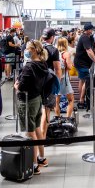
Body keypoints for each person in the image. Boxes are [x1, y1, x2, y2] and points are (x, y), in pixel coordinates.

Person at [15, 40, 49, 175]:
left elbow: (22, 86)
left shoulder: (29, 66)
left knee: (30, 133)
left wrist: (17, 86)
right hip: (37, 99)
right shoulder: (43, 64)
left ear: (34, 50)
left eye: (28, 48)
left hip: (27, 101)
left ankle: (34, 164)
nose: (26, 50)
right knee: (36, 128)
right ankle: (41, 157)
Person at [40, 28, 61, 159]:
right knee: (46, 111)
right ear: (52, 37)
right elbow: (58, 69)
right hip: (47, 84)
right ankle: (43, 138)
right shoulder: (53, 50)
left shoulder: (34, 47)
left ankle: (36, 137)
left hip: (34, 83)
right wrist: (56, 85)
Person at [74, 23, 95, 109]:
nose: (92, 31)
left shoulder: (90, 37)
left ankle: (81, 99)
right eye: (91, 29)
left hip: (86, 63)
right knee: (86, 80)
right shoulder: (84, 38)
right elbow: (89, 50)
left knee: (83, 80)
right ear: (87, 30)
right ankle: (82, 100)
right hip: (81, 63)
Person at [55, 37, 74, 117]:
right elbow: (69, 67)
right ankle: (68, 118)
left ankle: (57, 118)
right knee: (71, 99)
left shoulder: (55, 53)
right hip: (64, 79)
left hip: (56, 78)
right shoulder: (66, 54)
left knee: (56, 101)